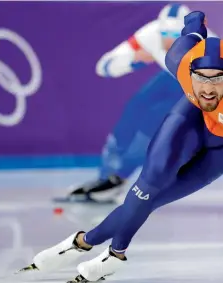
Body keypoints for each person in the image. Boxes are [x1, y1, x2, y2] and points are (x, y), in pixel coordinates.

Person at [21, 11, 223, 283]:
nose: (208, 89)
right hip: (195, 115)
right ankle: (112, 253)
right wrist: (196, 18)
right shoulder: (179, 60)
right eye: (201, 77)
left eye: (216, 79)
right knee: (147, 186)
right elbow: (193, 27)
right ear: (189, 72)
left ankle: (87, 243)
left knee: (157, 198)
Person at [64, 3, 191, 202]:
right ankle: (107, 177)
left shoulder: (207, 45)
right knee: (135, 108)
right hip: (170, 77)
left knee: (154, 122)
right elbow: (104, 67)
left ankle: (124, 177)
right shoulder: (149, 35)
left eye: (176, 35)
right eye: (165, 33)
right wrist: (135, 60)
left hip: (196, 86)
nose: (168, 41)